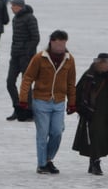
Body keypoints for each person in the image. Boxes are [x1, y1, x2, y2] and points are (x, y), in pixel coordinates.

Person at [19, 29, 77, 174]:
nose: (61, 47)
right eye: (58, 44)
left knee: (57, 132)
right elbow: (27, 78)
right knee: (42, 133)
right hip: (41, 101)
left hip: (59, 102)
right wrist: (23, 100)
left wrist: (72, 103)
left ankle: (48, 159)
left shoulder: (69, 60)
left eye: (63, 44)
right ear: (51, 42)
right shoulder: (40, 58)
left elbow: (71, 83)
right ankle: (42, 164)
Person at [6, 0, 40, 122]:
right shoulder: (15, 19)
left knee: (25, 85)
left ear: (19, 7)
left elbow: (35, 38)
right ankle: (17, 108)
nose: (11, 8)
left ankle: (29, 111)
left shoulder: (30, 18)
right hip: (15, 56)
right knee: (10, 83)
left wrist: (27, 53)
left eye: (13, 6)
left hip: (27, 57)